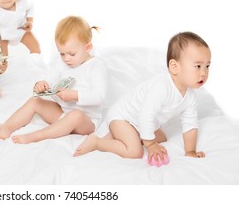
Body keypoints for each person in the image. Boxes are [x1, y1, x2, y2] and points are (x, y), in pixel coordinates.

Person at [74, 31, 211, 165]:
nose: (204, 73)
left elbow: (190, 124)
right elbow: (146, 114)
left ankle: (124, 135)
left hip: (141, 122)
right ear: (174, 67)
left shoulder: (190, 96)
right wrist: (150, 145)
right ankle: (98, 142)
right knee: (134, 152)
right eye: (198, 66)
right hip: (123, 118)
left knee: (162, 138)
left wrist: (190, 151)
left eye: (207, 66)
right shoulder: (161, 87)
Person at [0, 15, 108, 144]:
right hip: (62, 113)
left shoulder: (96, 66)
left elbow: (98, 96)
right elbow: (50, 75)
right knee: (35, 101)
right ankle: (6, 127)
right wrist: (42, 83)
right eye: (62, 53)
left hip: (85, 122)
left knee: (75, 115)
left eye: (72, 54)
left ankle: (35, 136)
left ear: (87, 48)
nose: (66, 58)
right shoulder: (63, 63)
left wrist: (74, 95)